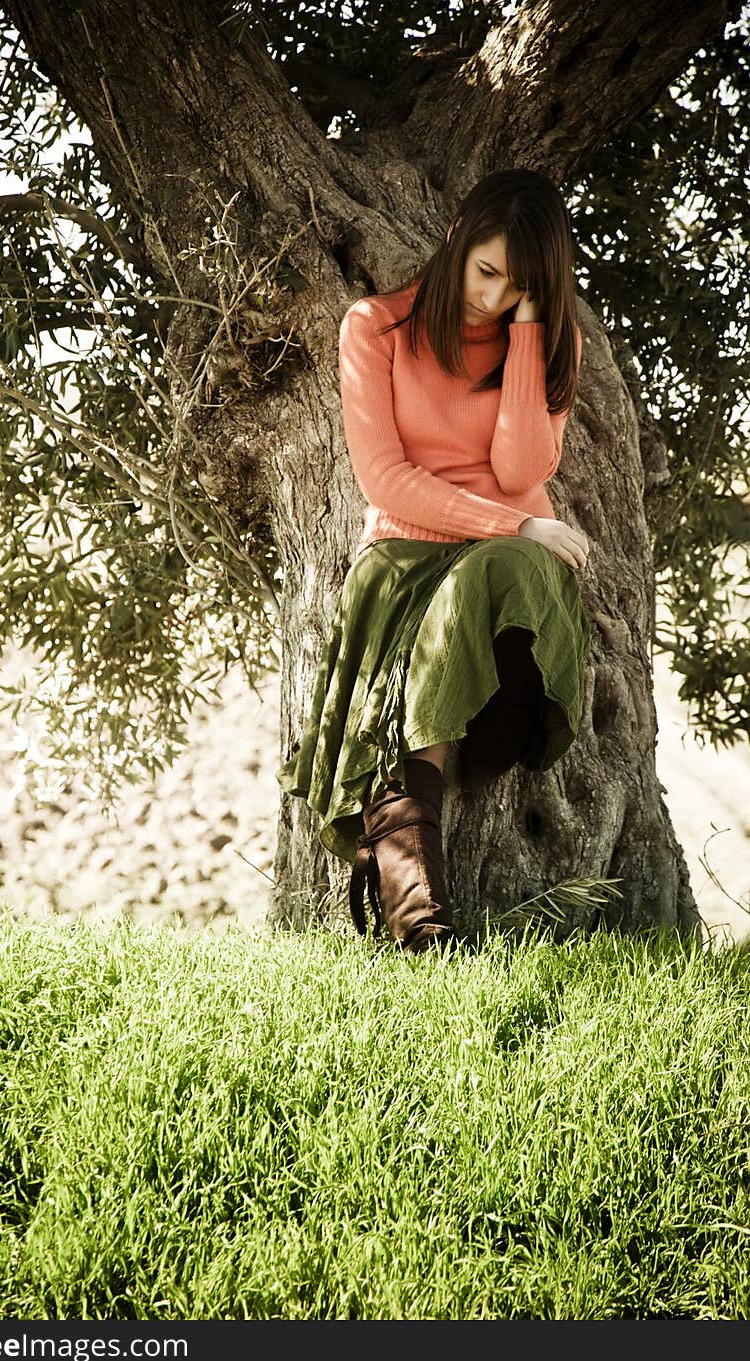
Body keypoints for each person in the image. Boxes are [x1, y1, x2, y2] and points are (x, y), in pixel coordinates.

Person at [277, 168, 591, 956]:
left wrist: (527, 332)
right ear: (456, 241)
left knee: (498, 573)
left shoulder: (552, 341)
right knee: (469, 592)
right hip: (410, 552)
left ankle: (410, 879)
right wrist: (518, 523)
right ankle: (421, 920)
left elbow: (522, 467)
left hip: (510, 572)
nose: (491, 297)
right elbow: (385, 480)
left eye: (516, 287)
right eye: (486, 272)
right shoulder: (375, 329)